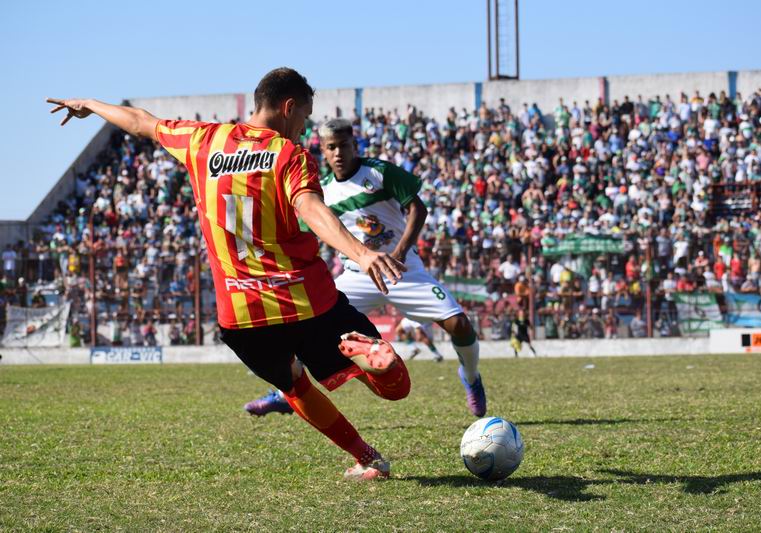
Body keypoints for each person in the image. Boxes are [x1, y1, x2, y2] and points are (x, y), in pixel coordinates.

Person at [48, 67, 411, 481]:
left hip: (242, 315)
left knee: (294, 387)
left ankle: (367, 458)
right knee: (396, 390)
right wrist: (361, 253)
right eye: (304, 117)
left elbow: (140, 122)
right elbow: (310, 208)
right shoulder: (288, 155)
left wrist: (90, 105)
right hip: (305, 300)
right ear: (288, 107)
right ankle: (368, 357)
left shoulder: (203, 140)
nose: (303, 127)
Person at [245, 117, 486, 417]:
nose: (337, 153)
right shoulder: (323, 191)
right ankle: (283, 392)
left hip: (404, 271)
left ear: (354, 144)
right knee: (307, 325)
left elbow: (417, 208)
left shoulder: (379, 172)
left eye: (343, 145)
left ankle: (471, 377)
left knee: (459, 324)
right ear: (323, 149)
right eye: (330, 147)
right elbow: (311, 230)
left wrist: (398, 252)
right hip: (358, 275)